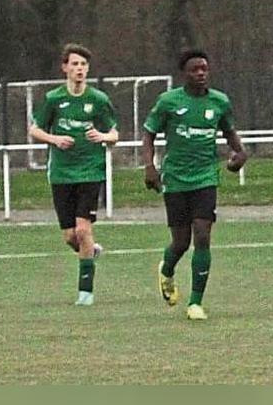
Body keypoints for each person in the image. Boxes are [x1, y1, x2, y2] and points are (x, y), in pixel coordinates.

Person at [142, 49, 247, 321]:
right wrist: (150, 167)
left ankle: (195, 303)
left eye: (204, 69)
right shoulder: (168, 102)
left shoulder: (219, 102)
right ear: (184, 73)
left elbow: (231, 134)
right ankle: (166, 270)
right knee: (180, 242)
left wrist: (239, 155)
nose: (200, 73)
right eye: (194, 69)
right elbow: (149, 133)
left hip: (205, 178)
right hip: (175, 178)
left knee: (202, 234)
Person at [28, 43, 119, 306]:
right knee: (70, 236)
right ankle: (90, 252)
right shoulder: (54, 99)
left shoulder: (98, 100)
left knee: (82, 230)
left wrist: (102, 136)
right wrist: (55, 139)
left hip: (90, 172)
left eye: (83, 65)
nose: (79, 69)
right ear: (65, 67)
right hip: (61, 174)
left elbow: (114, 134)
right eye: (75, 64)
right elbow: (35, 130)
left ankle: (85, 292)